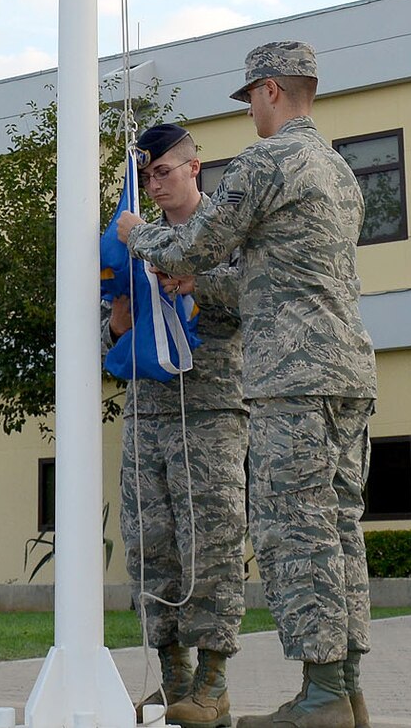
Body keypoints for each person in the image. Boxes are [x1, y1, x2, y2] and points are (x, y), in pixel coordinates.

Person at [121, 43, 376, 728]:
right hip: (347, 373)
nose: (251, 114)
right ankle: (345, 690)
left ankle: (322, 697)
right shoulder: (339, 170)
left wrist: (136, 233)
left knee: (296, 532)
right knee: (340, 531)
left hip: (291, 378)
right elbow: (284, 271)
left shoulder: (268, 160)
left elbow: (188, 244)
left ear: (269, 90)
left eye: (250, 99)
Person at [109, 123, 246, 727]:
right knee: (150, 545)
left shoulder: (228, 229)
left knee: (210, 540)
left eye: (163, 171)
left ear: (195, 167)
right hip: (147, 410)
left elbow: (251, 295)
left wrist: (197, 281)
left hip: (211, 406)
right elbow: (115, 322)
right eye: (145, 175)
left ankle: (213, 684)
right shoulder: (133, 236)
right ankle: (173, 680)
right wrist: (115, 322)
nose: (154, 184)